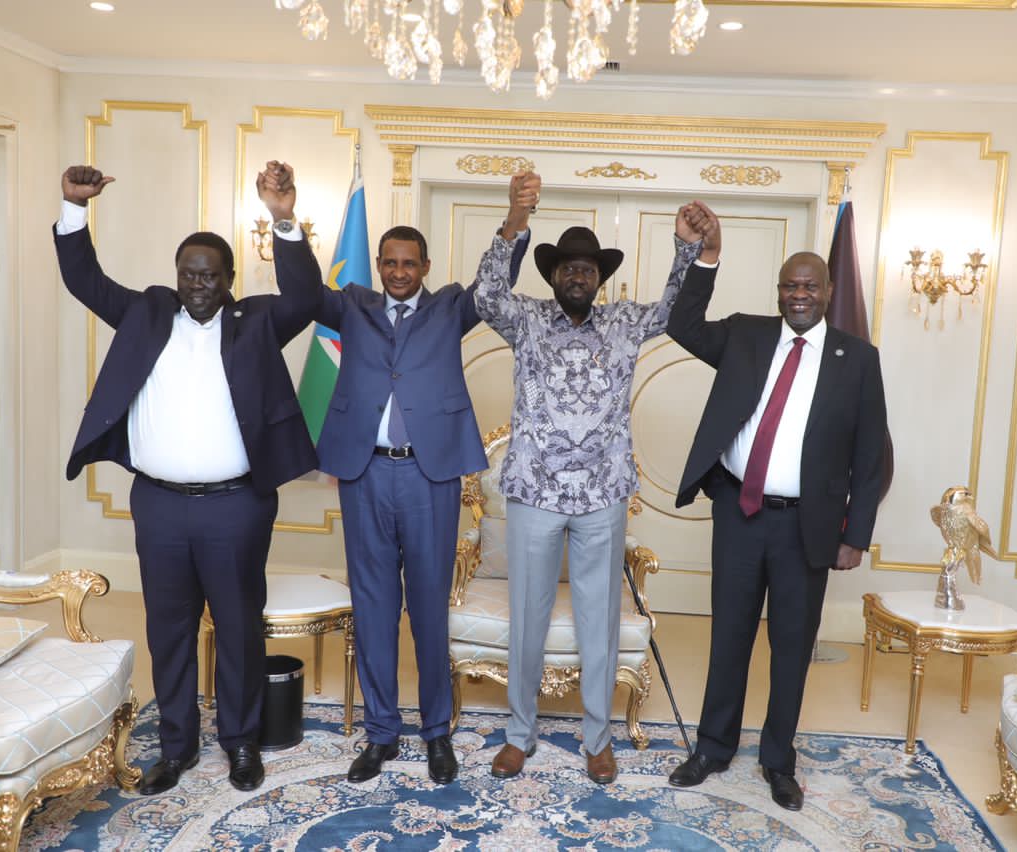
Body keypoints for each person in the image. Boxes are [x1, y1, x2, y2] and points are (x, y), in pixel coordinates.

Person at [55, 164, 321, 795]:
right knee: (169, 629)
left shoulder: (257, 322)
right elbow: (84, 280)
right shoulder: (146, 313)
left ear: (230, 280)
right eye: (188, 275)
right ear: (177, 276)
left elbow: (308, 300)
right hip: (160, 506)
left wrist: (284, 218)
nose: (198, 286)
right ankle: (176, 748)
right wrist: (74, 208)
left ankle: (241, 742)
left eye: (210, 276)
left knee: (238, 627)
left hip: (237, 506)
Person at [264, 163, 532, 785]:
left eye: (410, 263)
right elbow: (302, 293)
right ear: (380, 265)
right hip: (364, 475)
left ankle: (436, 733)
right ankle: (382, 733)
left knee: (429, 609)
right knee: (374, 606)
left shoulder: (451, 308)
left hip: (429, 477)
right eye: (390, 262)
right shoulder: (352, 305)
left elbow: (497, 282)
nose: (399, 272)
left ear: (425, 267)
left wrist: (516, 219)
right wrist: (285, 219)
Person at [665, 203, 888, 811]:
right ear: (779, 291)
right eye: (790, 286)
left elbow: (871, 456)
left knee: (791, 646)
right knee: (728, 637)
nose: (799, 295)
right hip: (739, 512)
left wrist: (855, 535)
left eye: (810, 286)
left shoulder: (856, 359)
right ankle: (713, 748)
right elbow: (681, 324)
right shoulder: (746, 334)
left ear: (828, 291)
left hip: (806, 527)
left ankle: (778, 761)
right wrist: (705, 255)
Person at [476, 201, 705, 785]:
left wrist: (687, 248)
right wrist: (512, 224)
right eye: (568, 268)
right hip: (534, 492)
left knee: (598, 622)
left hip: (602, 495)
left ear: (599, 279)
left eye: (588, 269)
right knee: (526, 620)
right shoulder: (525, 318)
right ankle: (519, 736)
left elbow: (677, 309)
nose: (577, 276)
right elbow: (485, 296)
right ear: (553, 275)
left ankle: (598, 739)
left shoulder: (625, 322)